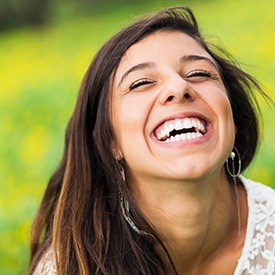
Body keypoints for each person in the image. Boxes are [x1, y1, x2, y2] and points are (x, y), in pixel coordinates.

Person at [28, 6, 275, 275]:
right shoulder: (69, 266)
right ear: (110, 142)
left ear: (233, 119)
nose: (179, 87)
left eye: (199, 73)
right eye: (142, 82)